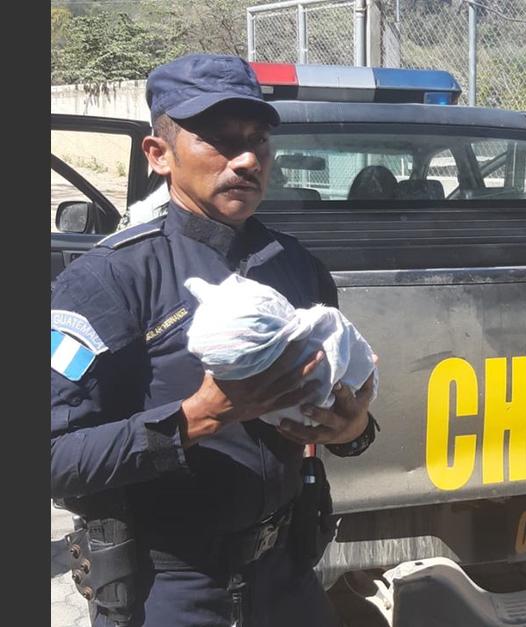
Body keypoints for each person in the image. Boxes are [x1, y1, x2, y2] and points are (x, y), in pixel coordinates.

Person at [51, 53, 378, 626]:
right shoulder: (109, 280)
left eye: (258, 141)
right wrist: (194, 419)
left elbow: (340, 400)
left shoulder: (296, 267)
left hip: (287, 577)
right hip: (168, 588)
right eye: (221, 141)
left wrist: (353, 431)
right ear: (159, 155)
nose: (247, 159)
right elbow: (52, 457)